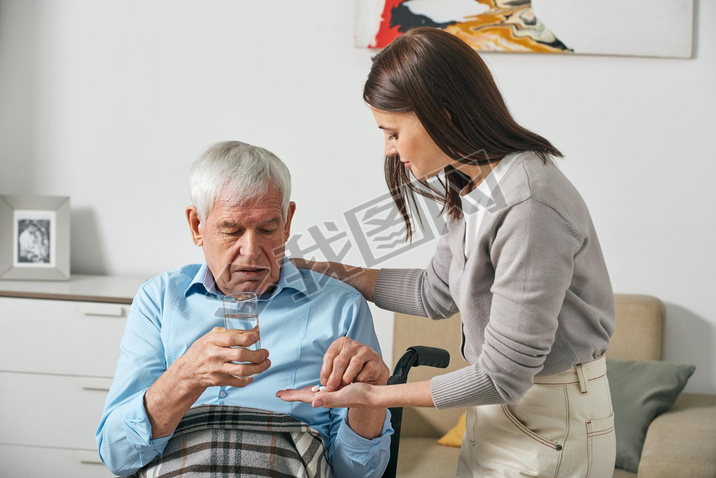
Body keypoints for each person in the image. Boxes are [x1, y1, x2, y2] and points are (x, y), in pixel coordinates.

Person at [278, 27, 617, 477]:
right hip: (499, 411)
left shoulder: (529, 205)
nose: (389, 149)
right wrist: (329, 271)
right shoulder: (475, 183)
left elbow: (504, 375)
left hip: (549, 417)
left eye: (393, 132)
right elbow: (434, 293)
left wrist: (377, 396)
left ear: (441, 114)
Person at [96, 141, 393, 478]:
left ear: (287, 221)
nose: (251, 251)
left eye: (267, 229)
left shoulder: (340, 306)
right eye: (231, 230)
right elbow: (117, 454)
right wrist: (186, 377)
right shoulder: (159, 300)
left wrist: (371, 400)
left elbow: (358, 474)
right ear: (197, 225)